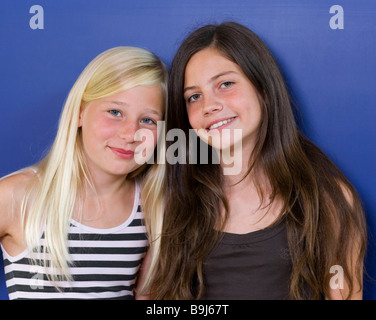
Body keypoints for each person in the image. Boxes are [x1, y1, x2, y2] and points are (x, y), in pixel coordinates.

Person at [139, 22, 367, 300]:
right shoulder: (171, 199)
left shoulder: (328, 198)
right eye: (194, 96)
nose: (208, 105)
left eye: (225, 84)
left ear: (265, 91)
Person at [0, 46, 168, 299]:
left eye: (148, 121)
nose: (130, 134)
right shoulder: (16, 197)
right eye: (115, 112)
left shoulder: (153, 207)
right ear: (80, 112)